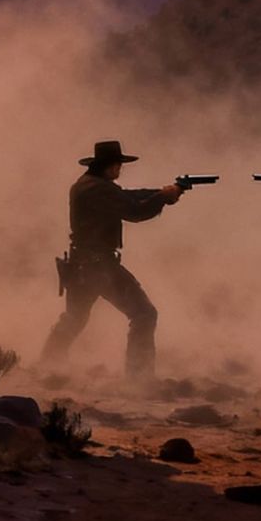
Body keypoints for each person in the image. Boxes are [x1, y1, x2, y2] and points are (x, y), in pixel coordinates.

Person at [39, 139, 186, 382]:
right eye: (118, 165)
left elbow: (128, 196)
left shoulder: (87, 185)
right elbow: (134, 212)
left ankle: (47, 366)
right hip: (99, 267)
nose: (120, 170)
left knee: (74, 318)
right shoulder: (99, 189)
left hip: (82, 266)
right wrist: (164, 198)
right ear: (110, 166)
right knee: (144, 314)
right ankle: (139, 380)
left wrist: (162, 192)